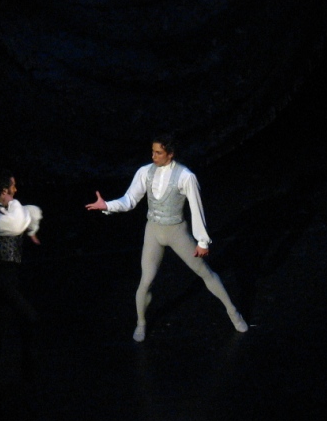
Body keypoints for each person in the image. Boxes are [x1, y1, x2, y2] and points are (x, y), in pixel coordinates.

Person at [85, 134, 248, 342]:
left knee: (205, 272)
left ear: (170, 154)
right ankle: (141, 322)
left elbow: (196, 209)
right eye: (152, 152)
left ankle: (233, 312)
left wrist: (202, 241)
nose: (153, 156)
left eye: (159, 153)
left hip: (176, 231)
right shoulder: (145, 172)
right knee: (146, 281)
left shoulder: (185, 176)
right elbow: (130, 199)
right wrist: (107, 205)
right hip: (153, 231)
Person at [0, 170, 43, 385]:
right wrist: (16, 205)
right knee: (30, 317)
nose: (15, 190)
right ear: (4, 191)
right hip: (1, 275)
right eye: (12, 187)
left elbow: (31, 212)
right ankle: (27, 370)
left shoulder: (10, 210)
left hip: (13, 275)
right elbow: (17, 223)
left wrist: (32, 229)